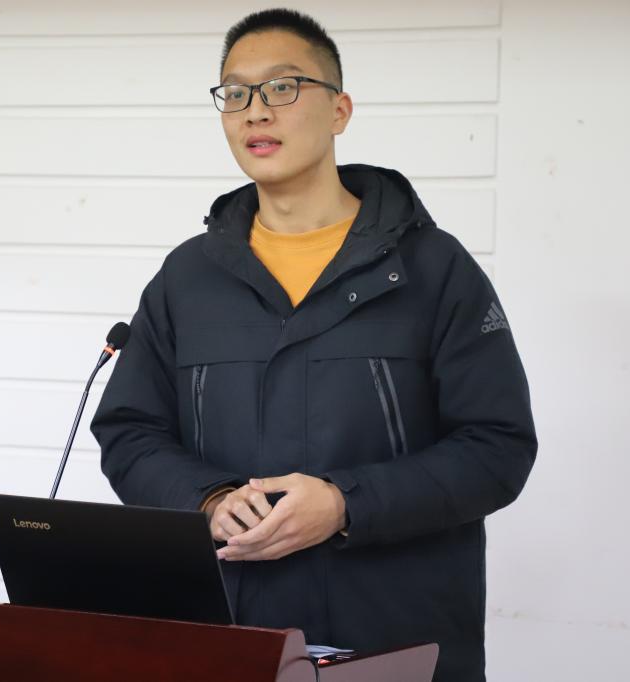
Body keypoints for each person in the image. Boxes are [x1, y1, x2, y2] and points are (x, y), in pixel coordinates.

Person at [91, 8, 537, 681]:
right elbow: (130, 431)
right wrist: (205, 500)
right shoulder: (188, 278)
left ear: (339, 110)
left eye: (282, 86)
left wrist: (345, 504)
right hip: (229, 632)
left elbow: (497, 447)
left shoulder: (432, 269)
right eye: (235, 92)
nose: (255, 110)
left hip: (391, 638)